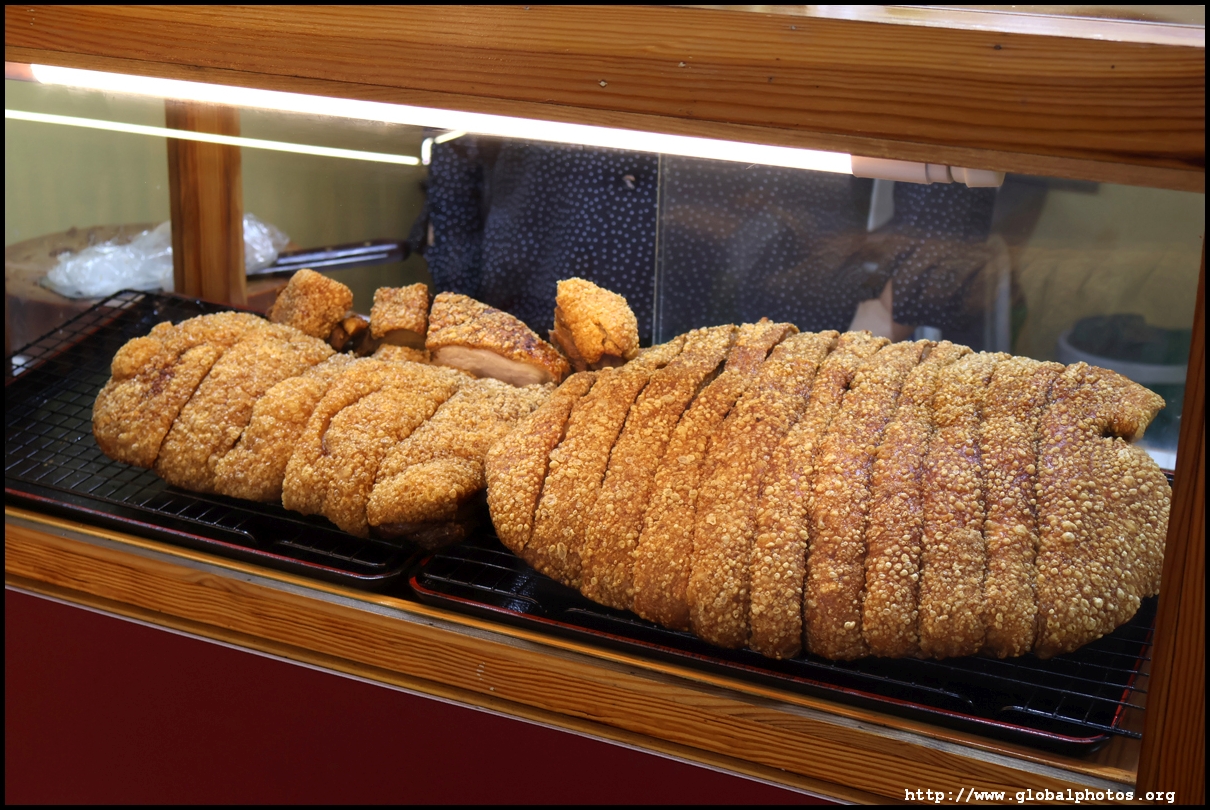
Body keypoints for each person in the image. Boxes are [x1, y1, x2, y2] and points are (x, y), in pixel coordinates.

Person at [414, 136, 1000, 349]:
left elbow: (943, 100)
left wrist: (896, 311)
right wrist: (459, 298)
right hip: (535, 286)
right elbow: (454, 127)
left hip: (770, 310)